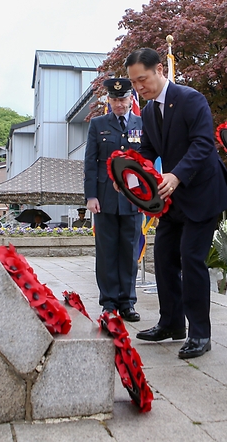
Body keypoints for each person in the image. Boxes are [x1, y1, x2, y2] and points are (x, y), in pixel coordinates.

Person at [126, 48, 227, 359]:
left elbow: (204, 143)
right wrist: (132, 176)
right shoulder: (148, 112)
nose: (139, 88)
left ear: (160, 69)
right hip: (171, 196)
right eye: (134, 83)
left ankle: (201, 333)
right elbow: (148, 150)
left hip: (201, 192)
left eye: (142, 80)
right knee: (162, 256)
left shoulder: (190, 99)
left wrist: (176, 176)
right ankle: (172, 323)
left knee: (191, 258)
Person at [83, 78, 143, 322]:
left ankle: (127, 302)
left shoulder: (142, 123)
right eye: (115, 100)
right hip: (105, 198)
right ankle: (108, 302)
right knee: (107, 252)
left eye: (123, 99)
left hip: (132, 198)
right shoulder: (99, 124)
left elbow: (146, 162)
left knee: (129, 252)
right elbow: (90, 162)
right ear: (109, 100)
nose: (119, 104)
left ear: (131, 99)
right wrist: (90, 196)